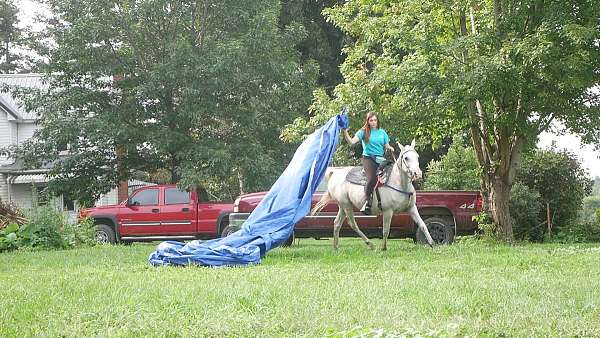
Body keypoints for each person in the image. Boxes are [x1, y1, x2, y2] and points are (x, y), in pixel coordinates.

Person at [343, 111, 394, 215]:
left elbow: (386, 145)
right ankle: (367, 202)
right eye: (371, 120)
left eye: (375, 120)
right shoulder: (363, 132)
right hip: (368, 159)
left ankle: (390, 200)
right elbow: (352, 142)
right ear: (368, 121)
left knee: (393, 173)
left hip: (380, 159)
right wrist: (345, 131)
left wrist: (390, 147)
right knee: (372, 179)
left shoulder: (382, 132)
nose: (373, 122)